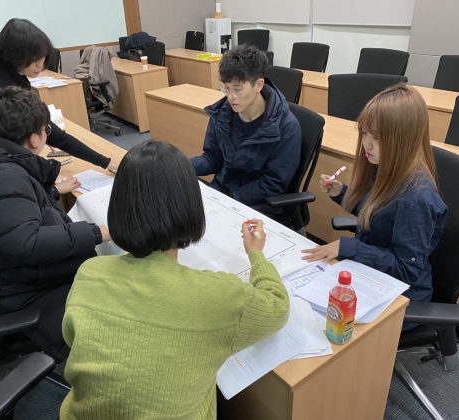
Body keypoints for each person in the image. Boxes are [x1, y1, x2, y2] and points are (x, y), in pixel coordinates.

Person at [60, 141, 290, 420]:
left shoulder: (90, 272)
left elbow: (74, 339)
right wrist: (257, 255)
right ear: (190, 207)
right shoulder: (219, 295)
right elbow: (277, 306)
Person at [0, 86, 111, 360]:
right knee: (113, 282)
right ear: (34, 139)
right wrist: (98, 232)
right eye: (46, 130)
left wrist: (52, 192)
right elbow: (25, 243)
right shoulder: (3, 177)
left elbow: (3, 210)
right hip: (8, 299)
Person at [302, 84, 448, 306]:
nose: (366, 144)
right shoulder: (388, 170)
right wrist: (342, 193)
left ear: (404, 139)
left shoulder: (417, 199)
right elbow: (380, 216)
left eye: (377, 137)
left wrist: (350, 247)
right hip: (372, 275)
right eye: (365, 133)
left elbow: (406, 269)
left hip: (401, 298)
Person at [0, 18, 120, 172]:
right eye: (35, 59)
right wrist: (106, 163)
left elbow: (44, 127)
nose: (41, 65)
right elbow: (46, 130)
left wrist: (104, 161)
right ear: (16, 56)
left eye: (42, 57)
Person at [190, 44, 301, 216]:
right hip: (223, 193)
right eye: (226, 88)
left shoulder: (286, 126)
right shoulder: (222, 113)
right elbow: (213, 158)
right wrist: (182, 167)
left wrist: (229, 201)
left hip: (258, 205)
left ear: (258, 85)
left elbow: (273, 183)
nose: (230, 97)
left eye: (237, 89)